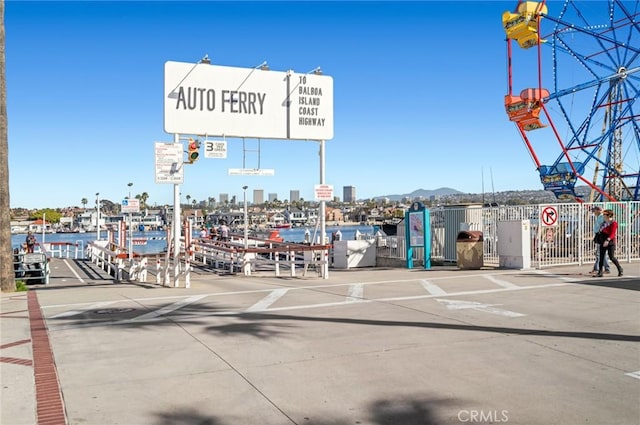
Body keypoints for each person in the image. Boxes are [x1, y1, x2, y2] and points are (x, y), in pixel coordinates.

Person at [594, 209, 623, 277]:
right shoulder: (604, 222)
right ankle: (600, 272)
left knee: (611, 257)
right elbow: (600, 230)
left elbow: (612, 233)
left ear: (609, 215)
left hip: (610, 242)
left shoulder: (613, 223)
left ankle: (620, 268)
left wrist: (607, 240)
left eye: (605, 214)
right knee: (601, 256)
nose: (603, 216)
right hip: (602, 240)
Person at [590, 206, 610, 275]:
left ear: (598, 210)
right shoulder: (599, 217)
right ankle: (606, 268)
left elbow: (603, 225)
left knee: (598, 253)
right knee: (602, 253)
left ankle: (597, 268)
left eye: (594, 211)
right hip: (598, 235)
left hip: (601, 235)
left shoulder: (601, 217)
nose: (593, 212)